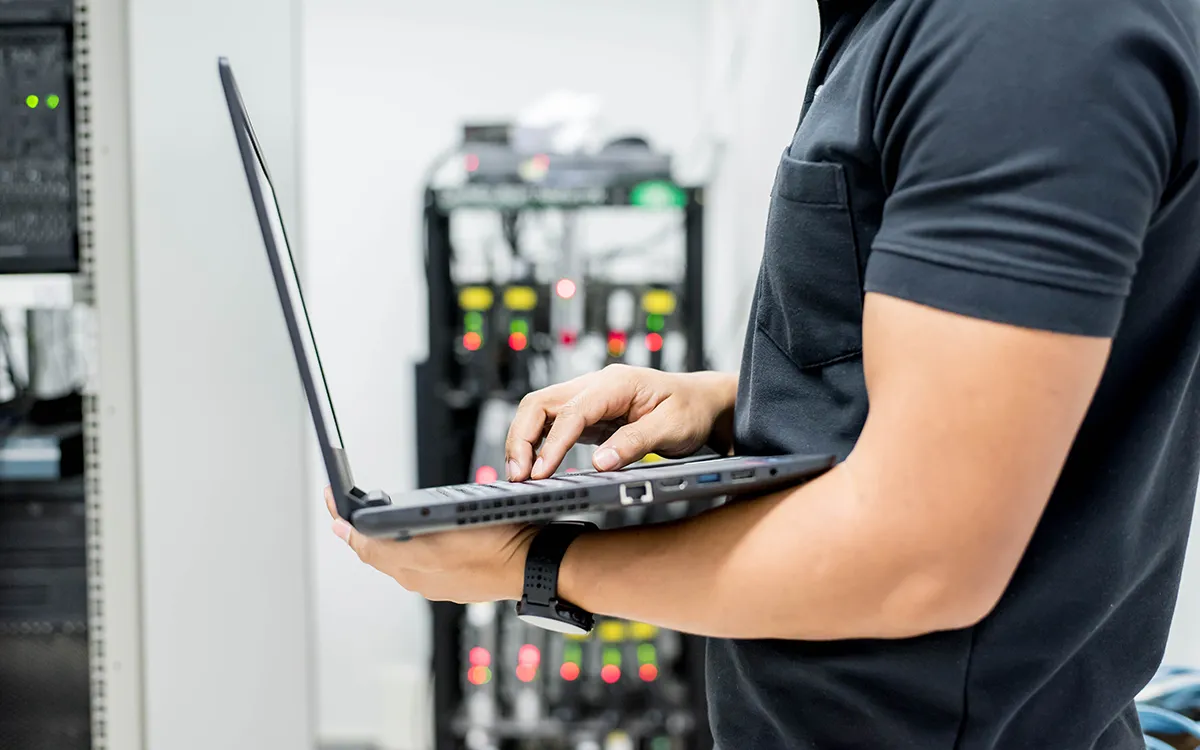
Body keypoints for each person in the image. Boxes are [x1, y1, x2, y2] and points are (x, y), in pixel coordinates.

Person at [325, 0, 1200, 746]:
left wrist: (542, 562)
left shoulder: (1022, 37)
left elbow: (921, 557)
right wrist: (721, 400)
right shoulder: (911, 27)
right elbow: (980, 384)